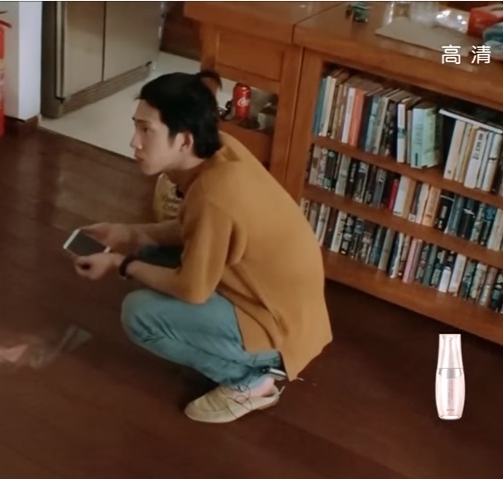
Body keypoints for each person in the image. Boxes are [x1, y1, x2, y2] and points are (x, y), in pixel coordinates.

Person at [71, 70, 333, 424]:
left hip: (279, 331)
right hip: (279, 303)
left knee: (139, 315)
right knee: (146, 253)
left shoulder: (214, 194)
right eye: (136, 126)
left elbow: (192, 289)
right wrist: (129, 234)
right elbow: (194, 230)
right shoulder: (220, 151)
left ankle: (250, 383)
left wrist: (121, 264)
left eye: (147, 130)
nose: (134, 141)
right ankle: (235, 353)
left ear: (184, 140)